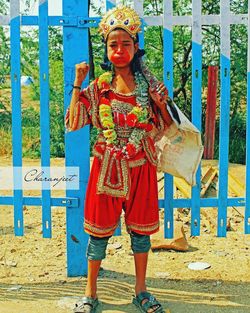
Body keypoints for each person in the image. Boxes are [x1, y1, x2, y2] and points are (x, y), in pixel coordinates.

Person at [65, 5, 173, 313]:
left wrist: (159, 103)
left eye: (126, 44)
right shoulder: (99, 86)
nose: (119, 50)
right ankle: (90, 295)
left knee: (140, 234)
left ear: (136, 47)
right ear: (107, 49)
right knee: (98, 235)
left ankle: (141, 291)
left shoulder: (150, 86)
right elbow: (73, 122)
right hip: (106, 166)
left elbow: (164, 125)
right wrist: (77, 83)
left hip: (141, 166)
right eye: (113, 45)